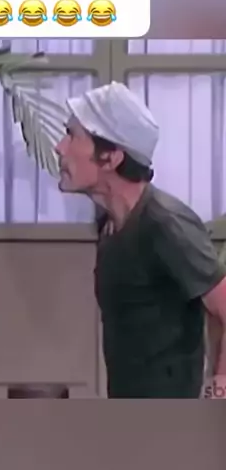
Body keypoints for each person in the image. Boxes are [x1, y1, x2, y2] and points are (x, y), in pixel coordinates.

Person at [55, 81, 226, 399]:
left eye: (72, 136)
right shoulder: (109, 224)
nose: (59, 148)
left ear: (110, 157)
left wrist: (220, 387)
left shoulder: (166, 223)